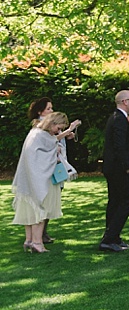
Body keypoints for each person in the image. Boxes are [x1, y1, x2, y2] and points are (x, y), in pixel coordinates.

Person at [12, 112, 77, 253]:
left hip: (30, 178)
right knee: (41, 208)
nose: (58, 132)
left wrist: (62, 138)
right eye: (58, 128)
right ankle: (37, 242)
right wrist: (55, 151)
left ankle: (29, 240)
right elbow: (41, 156)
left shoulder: (36, 133)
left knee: (31, 210)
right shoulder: (40, 135)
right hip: (38, 179)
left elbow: (44, 148)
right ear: (53, 123)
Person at [100, 90, 129, 252]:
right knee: (127, 201)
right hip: (119, 169)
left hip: (114, 168)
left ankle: (113, 237)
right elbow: (119, 146)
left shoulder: (118, 118)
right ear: (125, 102)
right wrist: (127, 166)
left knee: (115, 201)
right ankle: (110, 238)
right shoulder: (119, 119)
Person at [27, 97, 71, 245]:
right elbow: (47, 144)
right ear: (40, 112)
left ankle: (37, 237)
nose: (51, 111)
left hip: (55, 165)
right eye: (48, 108)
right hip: (46, 170)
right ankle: (37, 238)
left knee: (50, 201)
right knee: (43, 202)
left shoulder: (50, 126)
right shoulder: (40, 127)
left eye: (52, 108)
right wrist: (68, 131)